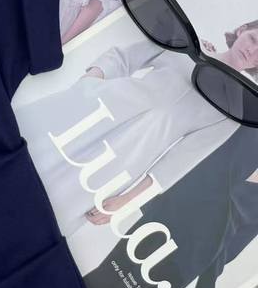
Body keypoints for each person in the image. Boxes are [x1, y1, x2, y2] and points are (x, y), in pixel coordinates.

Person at [15, 20, 258, 239]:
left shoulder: (233, 112)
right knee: (25, 151)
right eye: (254, 39)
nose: (252, 51)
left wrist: (127, 201)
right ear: (241, 30)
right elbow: (123, 58)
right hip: (95, 112)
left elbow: (180, 161)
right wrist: (88, 84)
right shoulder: (189, 45)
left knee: (46, 211)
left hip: (122, 158)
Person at [81, 125, 258, 288]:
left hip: (182, 263)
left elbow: (233, 246)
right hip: (156, 228)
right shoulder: (246, 129)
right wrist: (128, 199)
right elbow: (181, 160)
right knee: (100, 281)